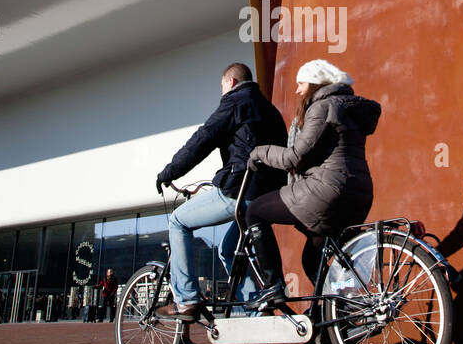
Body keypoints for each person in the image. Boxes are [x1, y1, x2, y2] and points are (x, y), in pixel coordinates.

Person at [152, 62, 288, 321]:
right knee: (228, 249)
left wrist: (169, 172)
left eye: (222, 86)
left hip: (240, 190)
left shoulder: (235, 101)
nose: (221, 92)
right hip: (268, 196)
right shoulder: (270, 109)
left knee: (178, 221)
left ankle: (186, 300)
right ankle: (256, 312)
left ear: (232, 82)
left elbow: (202, 140)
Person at [242, 59, 382, 311]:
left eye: (301, 83)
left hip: (327, 189)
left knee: (255, 212)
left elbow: (294, 157)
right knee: (312, 257)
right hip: (358, 193)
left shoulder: (322, 107)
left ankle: (272, 286)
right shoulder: (348, 108)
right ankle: (335, 312)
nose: (297, 90)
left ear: (317, 82)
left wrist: (259, 153)